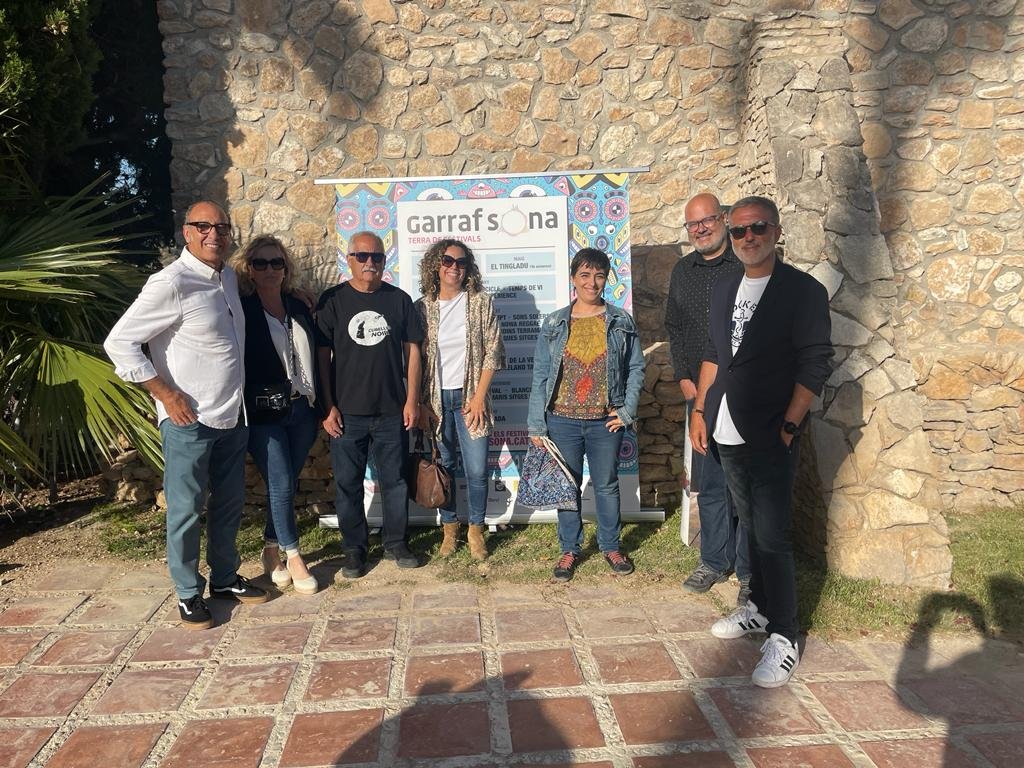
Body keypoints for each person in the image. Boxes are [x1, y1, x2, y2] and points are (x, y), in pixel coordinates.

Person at [690, 196, 833, 687]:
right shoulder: (725, 286)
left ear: (776, 232)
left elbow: (815, 362)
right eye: (739, 231)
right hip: (725, 426)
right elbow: (714, 352)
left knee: (772, 535)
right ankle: (759, 607)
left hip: (772, 429)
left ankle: (785, 636)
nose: (748, 237)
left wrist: (790, 425)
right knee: (749, 524)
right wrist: (700, 412)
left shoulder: (802, 291)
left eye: (759, 228)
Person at [104, 201, 267, 630]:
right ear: (187, 232)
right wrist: (164, 393)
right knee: (186, 510)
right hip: (188, 421)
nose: (215, 234)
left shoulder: (226, 277)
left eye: (222, 227)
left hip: (232, 414)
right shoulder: (171, 282)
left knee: (229, 503)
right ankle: (187, 592)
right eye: (204, 226)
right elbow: (119, 343)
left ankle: (225, 578)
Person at [527, 248, 645, 582]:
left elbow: (636, 368)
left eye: (599, 275)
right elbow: (540, 375)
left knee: (606, 485)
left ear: (606, 279)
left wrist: (627, 411)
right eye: (585, 275)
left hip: (605, 422)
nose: (592, 283)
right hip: (561, 420)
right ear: (573, 278)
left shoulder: (620, 321)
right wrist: (536, 424)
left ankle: (611, 546)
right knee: (567, 487)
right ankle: (569, 548)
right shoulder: (554, 323)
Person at [316, 231, 425, 578]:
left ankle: (396, 543)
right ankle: (354, 550)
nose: (369, 263)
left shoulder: (399, 300)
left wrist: (412, 400)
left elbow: (413, 353)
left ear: (384, 260)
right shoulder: (333, 300)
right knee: (348, 484)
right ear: (348, 259)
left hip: (392, 410)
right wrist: (327, 406)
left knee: (395, 481)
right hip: (346, 413)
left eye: (376, 256)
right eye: (362, 256)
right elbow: (321, 359)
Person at [665, 193, 750, 603]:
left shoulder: (745, 264)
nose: (700, 229)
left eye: (707, 220)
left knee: (745, 486)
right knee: (712, 482)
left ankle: (749, 571)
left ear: (724, 219)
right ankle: (714, 561)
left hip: (743, 392)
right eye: (692, 224)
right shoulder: (683, 271)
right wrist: (685, 380)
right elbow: (675, 328)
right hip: (700, 395)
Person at [230, 235, 320, 595]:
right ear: (249, 269)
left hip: (301, 409)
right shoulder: (241, 310)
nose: (269, 269)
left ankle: (270, 550)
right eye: (261, 263)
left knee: (286, 483)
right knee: (281, 483)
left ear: (286, 269)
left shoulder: (298, 306)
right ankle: (294, 556)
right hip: (263, 413)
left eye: (276, 263)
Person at [415, 239, 505, 560]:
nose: (454, 267)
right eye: (448, 261)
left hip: (471, 400)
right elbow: (415, 360)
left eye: (461, 262)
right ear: (435, 265)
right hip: (436, 401)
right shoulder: (422, 307)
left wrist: (479, 398)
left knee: (477, 469)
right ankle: (450, 529)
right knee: (446, 466)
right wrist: (422, 403)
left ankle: (476, 530)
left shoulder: (480, 302)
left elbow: (493, 350)